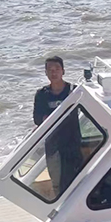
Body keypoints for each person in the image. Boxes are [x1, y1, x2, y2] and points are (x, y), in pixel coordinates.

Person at [33, 54, 79, 198]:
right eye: (50, 70)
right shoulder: (41, 94)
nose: (54, 73)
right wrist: (48, 118)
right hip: (53, 143)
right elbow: (37, 118)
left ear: (63, 71)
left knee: (74, 180)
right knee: (56, 180)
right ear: (46, 73)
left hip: (72, 142)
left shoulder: (74, 91)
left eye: (57, 69)